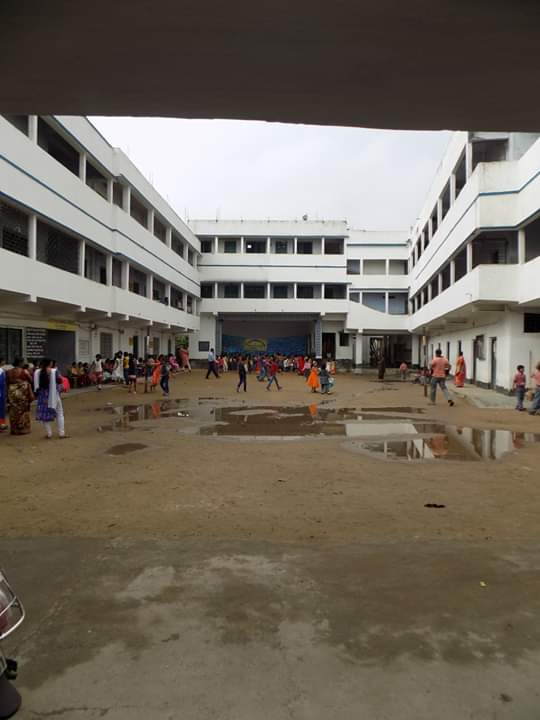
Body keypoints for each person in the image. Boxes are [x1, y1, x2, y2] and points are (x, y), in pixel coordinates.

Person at [34, 358, 67, 439]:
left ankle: (49, 434)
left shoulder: (37, 372)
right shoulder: (54, 371)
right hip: (53, 394)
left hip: (43, 396)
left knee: (44, 415)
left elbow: (37, 386)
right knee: (60, 413)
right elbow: (59, 381)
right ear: (50, 363)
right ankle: (61, 433)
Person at [6, 358, 34, 435]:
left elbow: (7, 382)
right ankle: (22, 429)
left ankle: (14, 429)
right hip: (22, 393)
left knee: (13, 410)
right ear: (20, 363)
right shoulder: (24, 371)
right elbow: (30, 380)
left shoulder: (8, 372)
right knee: (23, 410)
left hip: (11, 392)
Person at [0, 358, 7, 432]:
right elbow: (2, 383)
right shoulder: (1, 371)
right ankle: (1, 424)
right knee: (1, 409)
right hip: (1, 393)